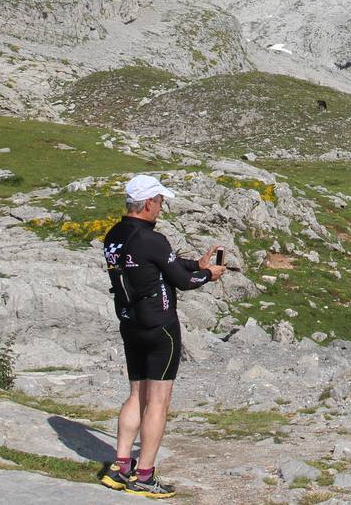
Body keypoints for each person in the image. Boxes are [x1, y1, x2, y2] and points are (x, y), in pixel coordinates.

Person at [100, 175, 227, 497]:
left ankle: (120, 466)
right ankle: (144, 476)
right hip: (160, 327)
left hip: (129, 322)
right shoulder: (153, 239)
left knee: (135, 395)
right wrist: (207, 274)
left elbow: (155, 266)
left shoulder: (114, 235)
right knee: (158, 401)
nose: (161, 208)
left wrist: (192, 263)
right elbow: (183, 282)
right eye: (159, 202)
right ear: (146, 204)